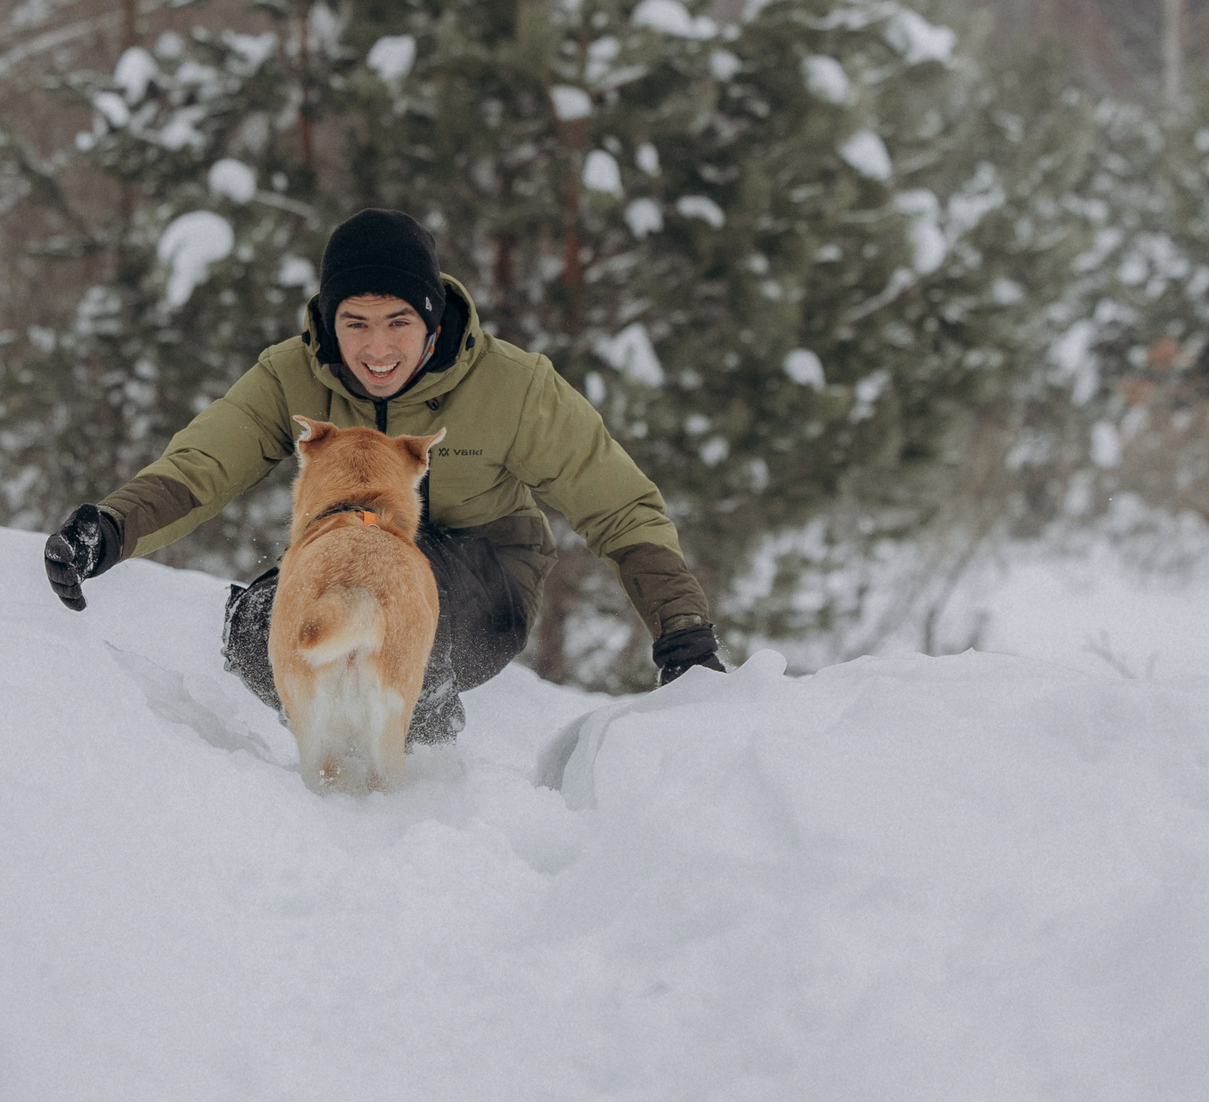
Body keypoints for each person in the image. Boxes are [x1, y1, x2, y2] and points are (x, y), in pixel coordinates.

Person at [43, 208, 724, 740]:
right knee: (263, 630)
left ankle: (420, 772)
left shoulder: (512, 387)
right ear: (328, 320)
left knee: (399, 625)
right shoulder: (291, 376)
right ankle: (326, 763)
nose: (377, 349)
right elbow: (203, 464)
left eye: (398, 322)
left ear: (431, 321)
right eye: (356, 323)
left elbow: (617, 503)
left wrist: (682, 631)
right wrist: (112, 526)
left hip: (484, 570)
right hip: (344, 549)